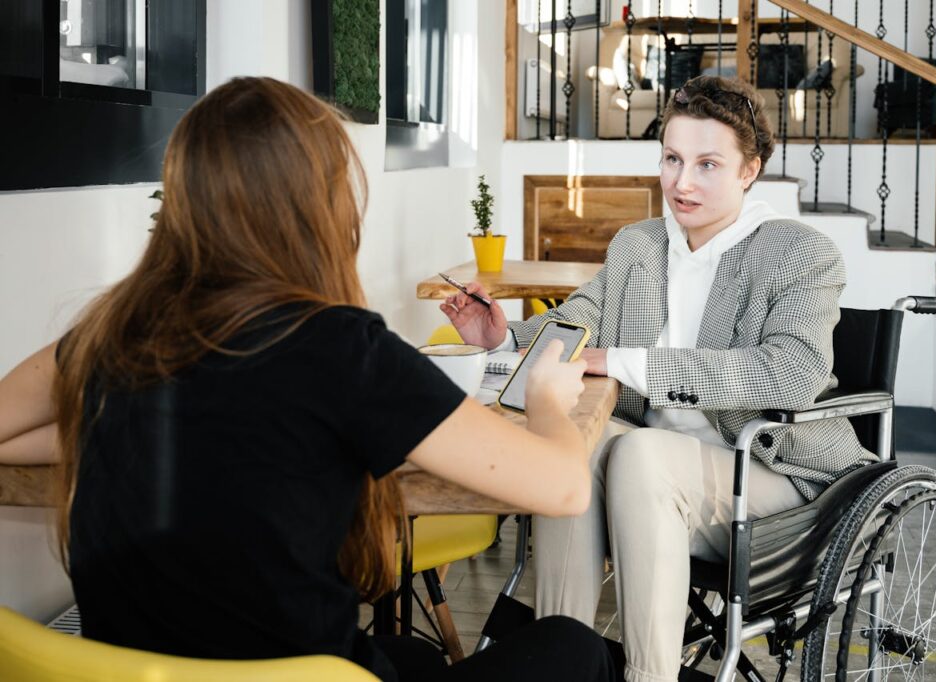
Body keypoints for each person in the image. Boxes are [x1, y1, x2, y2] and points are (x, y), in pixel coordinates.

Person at [0, 77, 616, 682]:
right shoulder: (344, 350)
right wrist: (546, 401)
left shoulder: (111, 331)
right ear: (320, 207)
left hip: (133, 672)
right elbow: (564, 488)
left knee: (415, 660)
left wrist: (128, 426)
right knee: (573, 647)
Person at [442, 75, 876, 682]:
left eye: (707, 164)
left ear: (749, 171)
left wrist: (625, 362)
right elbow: (580, 320)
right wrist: (502, 336)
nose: (682, 182)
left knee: (641, 453)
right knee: (573, 450)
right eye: (672, 159)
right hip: (650, 475)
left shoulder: (800, 253)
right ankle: (559, 667)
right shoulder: (639, 246)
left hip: (774, 476)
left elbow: (790, 376)